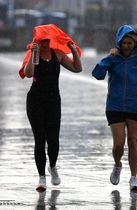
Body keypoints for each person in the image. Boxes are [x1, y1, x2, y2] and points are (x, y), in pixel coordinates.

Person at [92, 25, 137, 191]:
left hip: (135, 105)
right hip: (114, 106)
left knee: (132, 141)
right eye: (123, 42)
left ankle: (134, 177)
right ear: (118, 42)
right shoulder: (113, 58)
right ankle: (117, 165)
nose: (126, 46)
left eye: (129, 43)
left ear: (135, 43)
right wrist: (108, 58)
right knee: (118, 143)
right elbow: (97, 74)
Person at [19, 24, 82, 192]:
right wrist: (34, 53)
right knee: (40, 139)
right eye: (41, 41)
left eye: (47, 40)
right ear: (37, 41)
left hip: (53, 101)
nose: (45, 43)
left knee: (53, 139)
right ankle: (41, 178)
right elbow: (29, 74)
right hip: (35, 101)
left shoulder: (58, 55)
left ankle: (52, 167)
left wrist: (73, 51)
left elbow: (77, 68)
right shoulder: (32, 54)